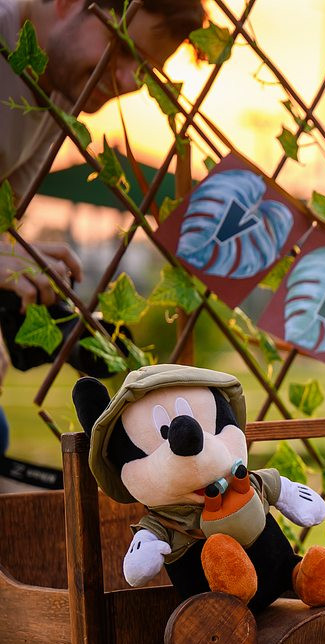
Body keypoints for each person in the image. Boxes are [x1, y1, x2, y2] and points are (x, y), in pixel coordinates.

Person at [0, 0, 204, 484]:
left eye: (145, 68)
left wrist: (18, 256)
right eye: (120, 46)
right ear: (69, 3)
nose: (129, 80)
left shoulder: (55, 94)